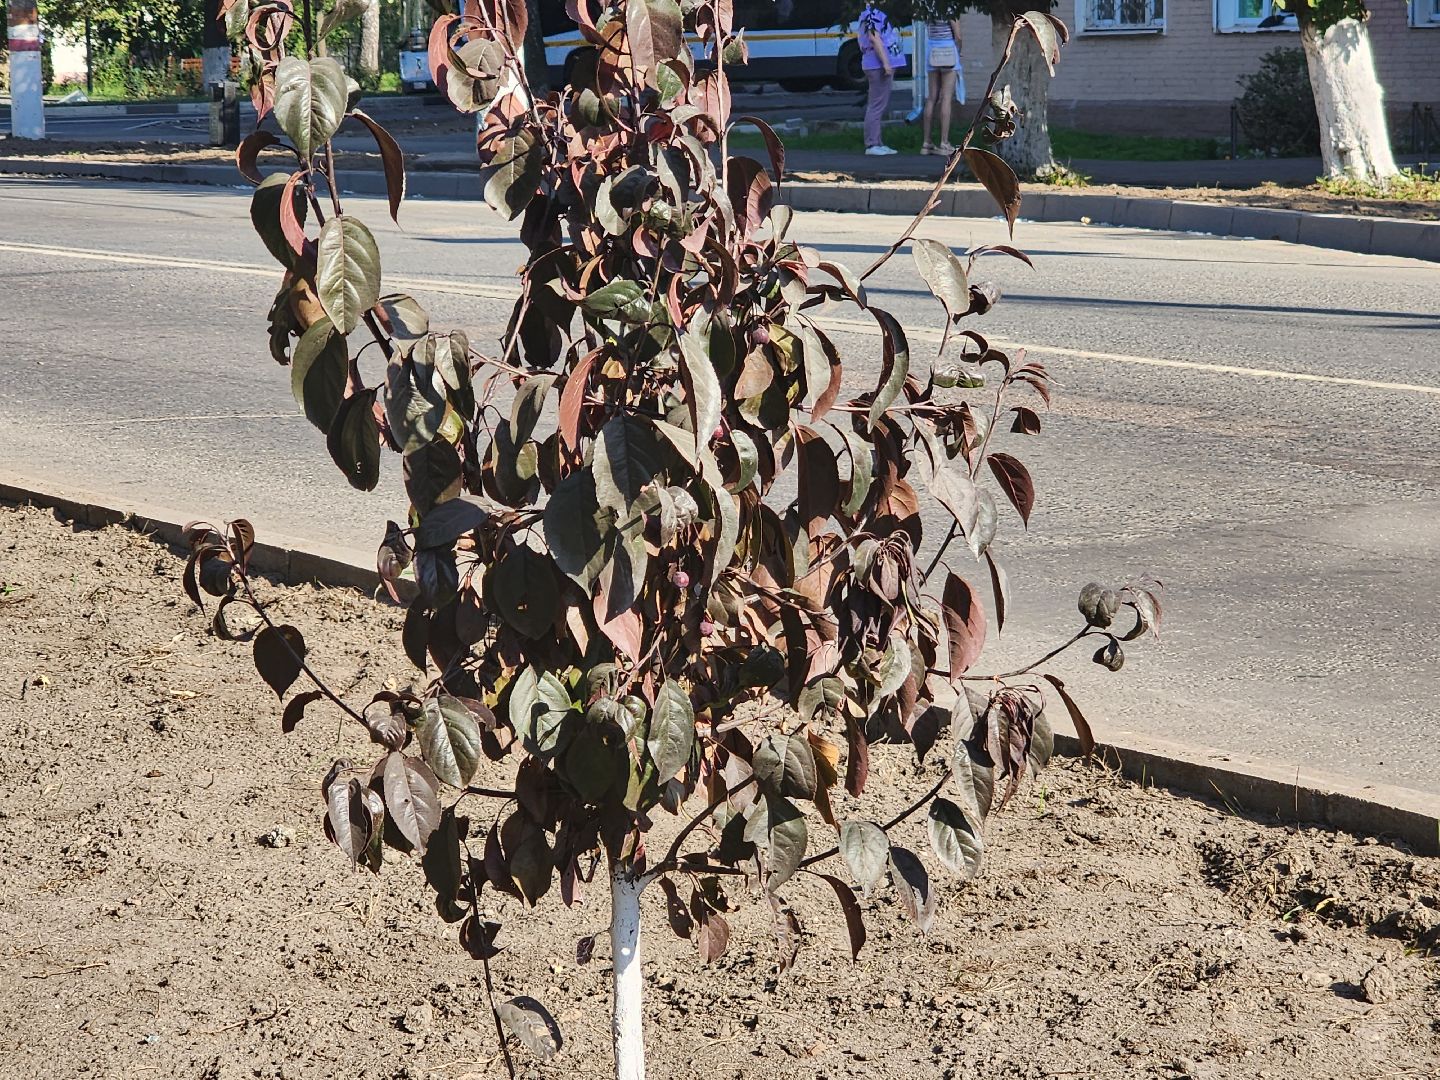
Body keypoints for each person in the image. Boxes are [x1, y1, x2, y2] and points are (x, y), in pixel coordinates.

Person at [858, 3, 903, 156]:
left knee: (877, 104)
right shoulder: (873, 14)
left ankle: (877, 142)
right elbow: (874, 38)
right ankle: (872, 144)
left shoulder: (868, 14)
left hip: (873, 63)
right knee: (876, 105)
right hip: (877, 65)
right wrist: (886, 63)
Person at [920, 15, 964, 156]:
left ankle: (926, 143)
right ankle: (944, 143)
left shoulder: (928, 6)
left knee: (932, 98)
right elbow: (958, 35)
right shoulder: (949, 6)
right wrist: (959, 50)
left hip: (932, 50)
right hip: (948, 50)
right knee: (946, 98)